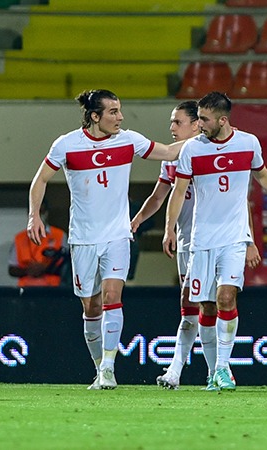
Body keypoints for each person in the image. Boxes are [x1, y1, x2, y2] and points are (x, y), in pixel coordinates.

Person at [27, 89, 186, 390]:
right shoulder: (66, 144)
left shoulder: (128, 140)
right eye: (113, 112)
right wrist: (34, 215)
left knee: (113, 297)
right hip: (84, 238)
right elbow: (41, 180)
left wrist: (207, 137)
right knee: (91, 306)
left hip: (117, 234)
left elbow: (168, 152)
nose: (120, 117)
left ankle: (109, 369)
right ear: (94, 116)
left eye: (120, 110)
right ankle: (99, 367)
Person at [163, 91, 267, 391]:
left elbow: (264, 176)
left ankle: (223, 368)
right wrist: (169, 229)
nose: (199, 123)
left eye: (204, 119)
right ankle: (212, 369)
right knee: (206, 306)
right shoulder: (192, 149)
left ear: (223, 120)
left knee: (226, 297)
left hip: (233, 238)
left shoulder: (248, 143)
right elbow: (178, 192)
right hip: (201, 240)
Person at [131, 100, 261, 390]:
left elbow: (239, 202)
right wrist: (139, 221)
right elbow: (158, 197)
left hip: (221, 239)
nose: (172, 128)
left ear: (196, 123)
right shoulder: (176, 158)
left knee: (219, 300)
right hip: (189, 240)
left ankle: (191, 369)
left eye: (178, 122)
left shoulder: (226, 147)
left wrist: (249, 239)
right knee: (193, 305)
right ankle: (205, 371)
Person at [9, 199, 69, 287]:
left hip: (53, 290)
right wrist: (27, 271)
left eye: (41, 211)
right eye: (35, 212)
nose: (39, 215)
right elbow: (12, 269)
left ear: (47, 212)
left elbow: (67, 266)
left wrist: (45, 269)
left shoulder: (59, 235)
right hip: (26, 291)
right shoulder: (19, 238)